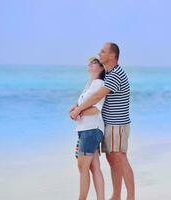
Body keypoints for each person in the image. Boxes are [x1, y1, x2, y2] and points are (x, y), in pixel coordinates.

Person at [70, 43, 135, 200]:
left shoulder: (114, 74)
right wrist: (77, 106)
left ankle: (130, 197)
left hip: (117, 123)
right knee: (112, 159)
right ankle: (116, 195)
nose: (99, 53)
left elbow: (97, 97)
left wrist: (79, 110)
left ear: (112, 56)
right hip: (109, 123)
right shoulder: (109, 73)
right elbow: (92, 95)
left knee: (119, 157)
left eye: (103, 51)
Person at [69, 57, 106, 200]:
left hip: (91, 130)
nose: (90, 64)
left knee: (82, 168)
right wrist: (74, 109)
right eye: (90, 62)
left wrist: (78, 112)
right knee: (94, 167)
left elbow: (96, 109)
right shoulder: (90, 85)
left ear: (102, 68)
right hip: (87, 130)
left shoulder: (99, 84)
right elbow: (81, 105)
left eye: (94, 62)